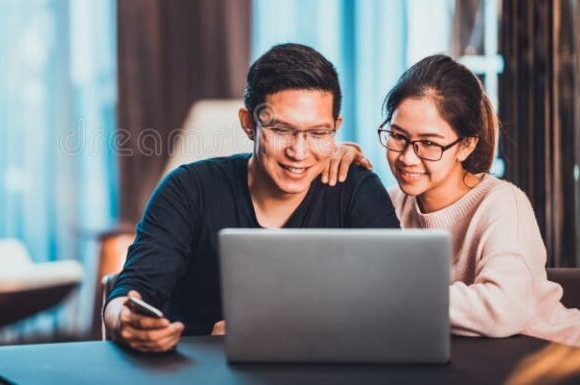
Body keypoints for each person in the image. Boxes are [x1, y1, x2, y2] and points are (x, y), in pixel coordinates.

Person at [104, 43, 399, 352]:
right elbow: (130, 291)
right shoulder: (188, 190)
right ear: (248, 123)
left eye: (317, 133)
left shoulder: (356, 189)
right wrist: (124, 319)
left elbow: (396, 299)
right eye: (281, 130)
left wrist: (280, 333)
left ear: (335, 128)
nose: (299, 152)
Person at [338, 54, 580, 347]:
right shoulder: (388, 204)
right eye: (397, 136)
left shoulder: (502, 203)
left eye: (429, 144)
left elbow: (503, 307)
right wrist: (333, 172)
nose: (407, 157)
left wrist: (389, 298)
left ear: (466, 145)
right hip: (473, 364)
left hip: (556, 357)